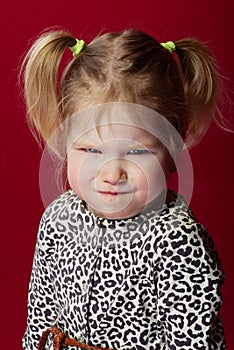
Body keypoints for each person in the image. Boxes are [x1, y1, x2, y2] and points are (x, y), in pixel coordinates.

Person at [21, 28, 226, 350]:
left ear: (172, 148)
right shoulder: (58, 219)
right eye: (89, 150)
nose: (111, 173)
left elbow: (192, 343)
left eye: (135, 152)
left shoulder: (177, 241)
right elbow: (41, 315)